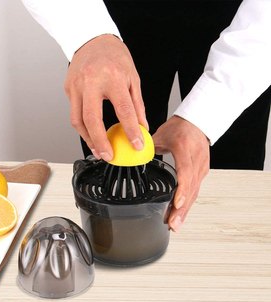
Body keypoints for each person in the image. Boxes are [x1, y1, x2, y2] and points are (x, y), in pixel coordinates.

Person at [21, 0, 271, 231]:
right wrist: (89, 36)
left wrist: (205, 115)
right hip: (115, 19)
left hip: (244, 27)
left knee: (233, 200)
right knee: (113, 180)